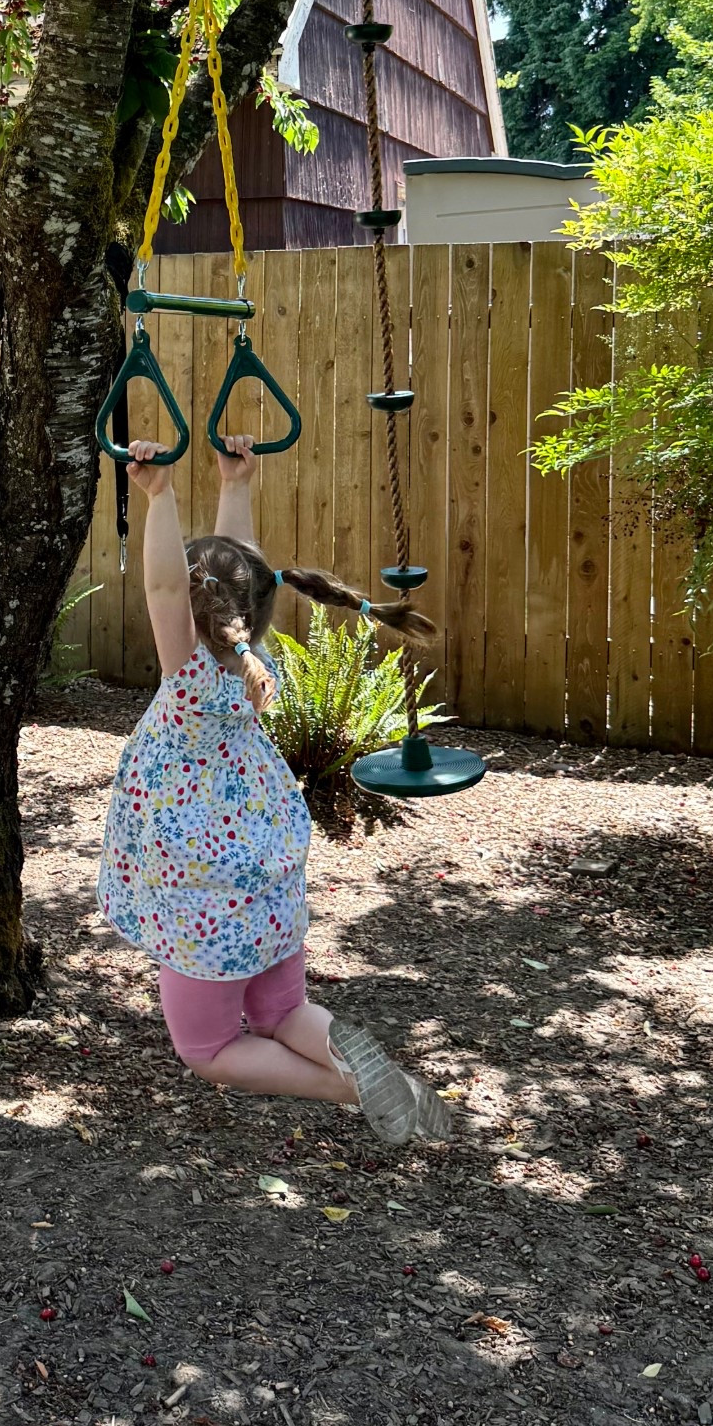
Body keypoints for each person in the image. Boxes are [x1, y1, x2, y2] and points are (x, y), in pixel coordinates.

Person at [95, 432, 450, 1143]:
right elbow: (231, 575)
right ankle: (389, 1083)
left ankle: (348, 1088)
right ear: (251, 615)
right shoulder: (248, 668)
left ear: (187, 623)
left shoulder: (190, 683)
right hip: (266, 874)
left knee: (210, 1049)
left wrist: (159, 495)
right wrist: (236, 486)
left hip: (205, 895)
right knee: (282, 1013)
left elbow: (168, 585)